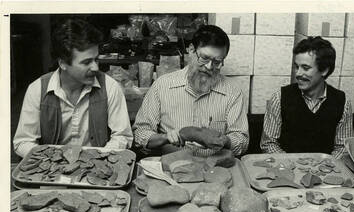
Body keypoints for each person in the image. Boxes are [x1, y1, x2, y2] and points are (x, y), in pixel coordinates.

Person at [13, 18, 133, 158]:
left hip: (97, 169)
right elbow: (23, 142)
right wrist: (53, 159)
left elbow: (122, 136)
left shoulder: (110, 86)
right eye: (86, 62)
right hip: (52, 171)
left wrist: (98, 158)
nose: (95, 67)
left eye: (96, 59)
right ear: (63, 63)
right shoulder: (37, 89)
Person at [133, 25, 249, 157]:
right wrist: (166, 137)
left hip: (215, 167)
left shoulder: (233, 91)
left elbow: (242, 141)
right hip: (172, 166)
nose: (209, 67)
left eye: (217, 62)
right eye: (204, 58)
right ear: (191, 50)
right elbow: (140, 133)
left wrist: (224, 140)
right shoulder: (162, 85)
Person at [260, 36, 354, 158]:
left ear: (324, 70)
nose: (298, 73)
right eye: (296, 66)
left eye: (305, 68)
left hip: (325, 171)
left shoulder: (342, 102)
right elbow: (268, 144)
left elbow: (343, 148)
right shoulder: (279, 98)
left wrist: (322, 166)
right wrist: (295, 165)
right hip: (286, 169)